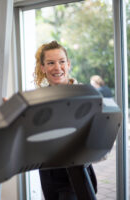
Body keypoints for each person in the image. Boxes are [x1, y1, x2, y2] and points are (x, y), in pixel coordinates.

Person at [34, 41, 97, 200]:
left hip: (76, 173)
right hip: (49, 174)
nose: (57, 67)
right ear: (43, 68)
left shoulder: (85, 95)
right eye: (50, 63)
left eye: (62, 62)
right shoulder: (38, 100)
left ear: (68, 64)